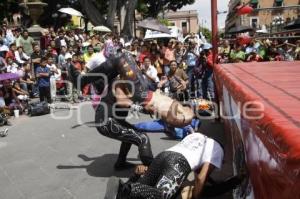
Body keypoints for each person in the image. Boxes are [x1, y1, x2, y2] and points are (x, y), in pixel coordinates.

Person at [105, 132, 224, 199]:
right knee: (161, 195)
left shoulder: (196, 135)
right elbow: (201, 178)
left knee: (145, 191)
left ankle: (125, 187)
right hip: (179, 164)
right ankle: (123, 189)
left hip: (163, 156)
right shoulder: (217, 149)